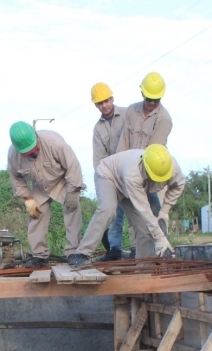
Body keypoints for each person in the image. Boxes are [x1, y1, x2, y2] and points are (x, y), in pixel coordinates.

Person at [68, 144, 186, 268]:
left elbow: (178, 185)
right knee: (108, 209)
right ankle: (82, 254)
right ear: (145, 167)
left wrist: (164, 211)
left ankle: (144, 270)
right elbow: (144, 210)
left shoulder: (172, 168)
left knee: (145, 229)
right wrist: (160, 237)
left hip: (130, 186)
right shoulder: (133, 174)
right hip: (109, 176)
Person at [109, 72, 174, 257]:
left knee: (152, 212)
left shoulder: (164, 119)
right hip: (128, 170)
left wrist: (140, 182)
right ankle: (137, 250)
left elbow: (154, 153)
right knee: (126, 212)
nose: (152, 102)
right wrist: (120, 174)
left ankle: (164, 250)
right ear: (142, 93)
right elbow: (124, 142)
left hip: (149, 173)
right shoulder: (131, 111)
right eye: (149, 98)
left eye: (156, 99)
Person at [6, 121, 86, 268]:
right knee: (36, 215)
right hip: (40, 185)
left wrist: (73, 191)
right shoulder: (13, 156)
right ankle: (39, 255)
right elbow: (15, 178)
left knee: (72, 210)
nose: (33, 153)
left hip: (63, 180)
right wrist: (28, 198)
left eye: (34, 149)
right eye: (28, 153)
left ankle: (74, 251)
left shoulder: (54, 142)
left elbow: (73, 166)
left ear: (35, 135)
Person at [89, 82, 128, 261]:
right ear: (96, 105)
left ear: (112, 98)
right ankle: (114, 249)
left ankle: (141, 248)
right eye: (100, 103)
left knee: (140, 209)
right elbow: (99, 159)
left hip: (131, 170)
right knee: (113, 213)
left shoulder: (128, 115)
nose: (104, 105)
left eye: (106, 101)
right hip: (112, 176)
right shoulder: (98, 129)